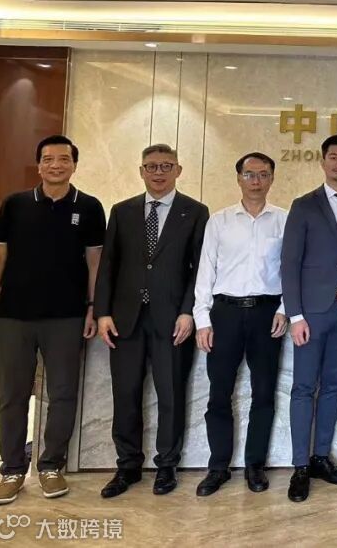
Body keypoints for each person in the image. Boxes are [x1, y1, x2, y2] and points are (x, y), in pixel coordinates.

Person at [0, 136, 105, 506]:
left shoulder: (89, 207)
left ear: (74, 165)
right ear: (39, 165)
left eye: (63, 159)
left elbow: (95, 262)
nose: (56, 165)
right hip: (14, 316)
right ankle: (12, 469)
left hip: (67, 317)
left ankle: (51, 465)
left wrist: (92, 307)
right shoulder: (15, 204)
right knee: (13, 395)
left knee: (63, 393)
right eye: (48, 159)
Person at [95, 144, 209, 498]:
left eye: (166, 166)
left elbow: (199, 269)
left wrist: (189, 311)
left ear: (178, 170)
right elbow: (108, 265)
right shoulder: (122, 211)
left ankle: (167, 465)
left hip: (173, 320)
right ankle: (127, 466)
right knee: (125, 393)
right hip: (125, 320)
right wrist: (102, 312)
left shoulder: (195, 211)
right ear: (141, 171)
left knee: (171, 393)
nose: (158, 172)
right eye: (151, 166)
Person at [281, 135, 337, 502]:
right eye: (333, 157)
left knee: (334, 386)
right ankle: (300, 466)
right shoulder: (304, 205)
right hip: (311, 314)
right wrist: (295, 315)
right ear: (323, 162)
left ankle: (321, 457)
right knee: (304, 387)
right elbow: (289, 263)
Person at [192, 152, 289, 497]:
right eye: (249, 174)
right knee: (219, 393)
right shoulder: (219, 221)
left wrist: (285, 309)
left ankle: (255, 465)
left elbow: (291, 271)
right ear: (238, 178)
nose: (256, 181)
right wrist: (202, 319)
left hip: (267, 314)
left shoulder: (284, 220)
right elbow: (205, 271)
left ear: (272, 179)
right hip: (225, 313)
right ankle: (218, 467)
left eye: (263, 174)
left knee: (264, 393)